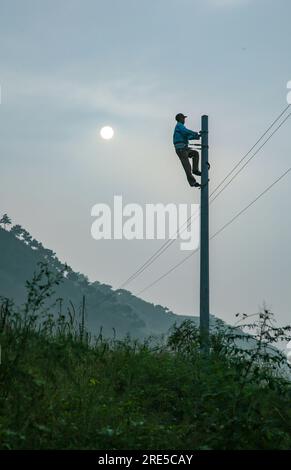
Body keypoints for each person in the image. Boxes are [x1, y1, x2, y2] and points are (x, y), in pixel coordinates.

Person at [173, 113, 201, 187]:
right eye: (183, 118)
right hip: (181, 149)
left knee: (195, 153)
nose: (184, 120)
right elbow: (186, 132)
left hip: (184, 148)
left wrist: (197, 136)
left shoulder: (180, 127)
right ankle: (193, 182)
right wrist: (195, 133)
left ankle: (195, 170)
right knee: (187, 166)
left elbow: (188, 136)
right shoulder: (179, 126)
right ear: (180, 119)